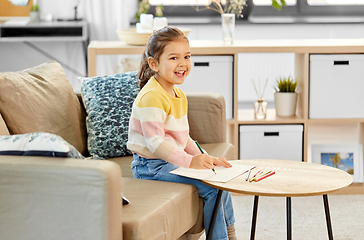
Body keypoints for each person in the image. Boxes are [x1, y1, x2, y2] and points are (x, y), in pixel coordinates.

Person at [127, 26, 237, 240]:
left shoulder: (178, 94)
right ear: (154, 64)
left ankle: (231, 235)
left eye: (186, 56)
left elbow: (182, 137)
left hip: (169, 161)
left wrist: (205, 158)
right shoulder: (151, 97)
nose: (182, 63)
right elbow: (155, 144)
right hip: (149, 167)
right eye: (174, 57)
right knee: (211, 188)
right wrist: (189, 162)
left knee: (221, 181)